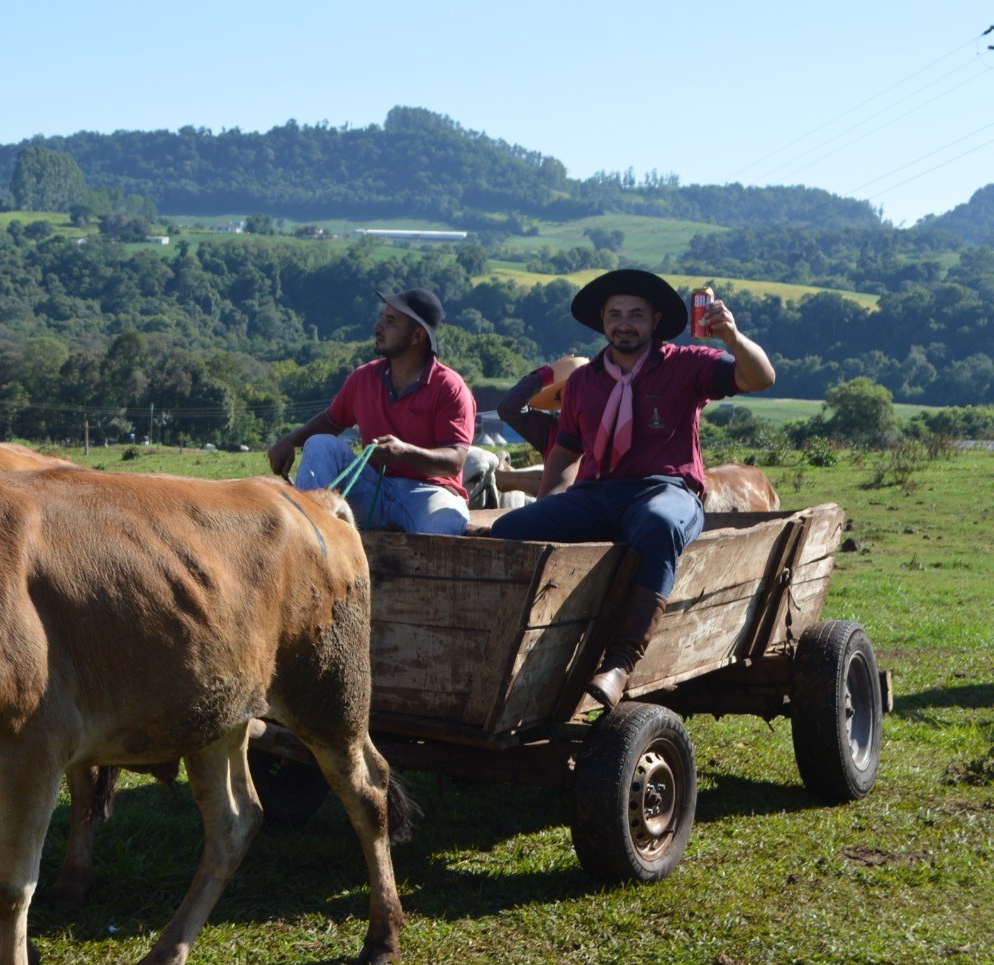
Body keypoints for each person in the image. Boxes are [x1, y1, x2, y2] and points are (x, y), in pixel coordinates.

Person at [491, 270, 776, 708]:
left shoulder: (686, 363)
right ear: (602, 321)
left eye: (636, 315)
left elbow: (760, 379)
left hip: (666, 489)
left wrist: (734, 339)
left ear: (655, 320)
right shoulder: (584, 381)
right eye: (615, 315)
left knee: (659, 524)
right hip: (596, 495)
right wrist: (549, 502)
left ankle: (620, 661)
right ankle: (510, 648)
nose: (624, 324)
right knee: (510, 529)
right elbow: (566, 451)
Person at [267, 289, 475, 534]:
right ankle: (307, 539)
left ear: (418, 335)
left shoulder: (449, 387)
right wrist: (291, 440)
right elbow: (332, 421)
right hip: (372, 488)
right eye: (382, 317)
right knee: (320, 444)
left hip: (428, 492)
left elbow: (454, 461)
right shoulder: (364, 377)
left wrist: (405, 452)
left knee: (443, 522)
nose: (378, 326)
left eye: (391, 321)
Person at [495, 353, 588, 496]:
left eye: (577, 394)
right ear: (560, 403)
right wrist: (546, 374)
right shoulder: (550, 431)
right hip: (558, 510)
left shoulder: (611, 425)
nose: (572, 403)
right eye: (566, 398)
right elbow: (508, 408)